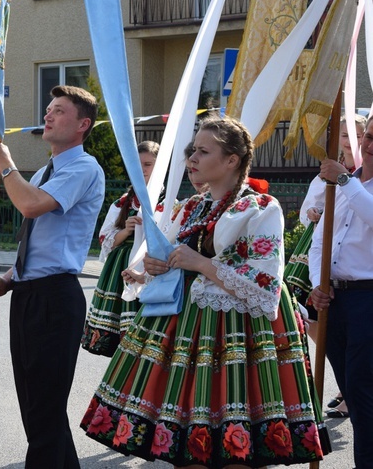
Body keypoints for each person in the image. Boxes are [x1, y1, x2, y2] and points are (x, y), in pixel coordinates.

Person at [81, 116, 329, 467]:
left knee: (234, 444)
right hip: (186, 329)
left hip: (240, 333)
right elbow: (171, 255)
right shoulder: (192, 206)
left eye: (202, 151)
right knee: (186, 440)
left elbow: (265, 281)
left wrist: (201, 263)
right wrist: (154, 267)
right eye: (191, 150)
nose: (192, 158)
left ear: (231, 160)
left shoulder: (260, 206)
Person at [0, 85, 105, 468]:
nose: (48, 115)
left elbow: (32, 206)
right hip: (30, 293)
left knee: (44, 412)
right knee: (38, 411)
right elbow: (42, 241)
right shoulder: (51, 167)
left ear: (83, 124)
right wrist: (9, 278)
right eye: (48, 108)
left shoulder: (84, 167)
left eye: (59, 111)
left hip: (55, 297)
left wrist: (6, 166)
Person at [286, 114, 364, 419]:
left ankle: (349, 389)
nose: (347, 139)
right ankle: (345, 380)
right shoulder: (323, 176)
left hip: (350, 264)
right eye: (343, 133)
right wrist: (316, 212)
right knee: (315, 318)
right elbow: (307, 212)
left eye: (355, 135)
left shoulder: (361, 176)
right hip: (318, 254)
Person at [309, 116, 373, 469]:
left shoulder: (349, 185)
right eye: (370, 136)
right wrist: (320, 283)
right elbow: (320, 238)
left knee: (363, 394)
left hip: (369, 297)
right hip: (337, 298)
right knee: (351, 388)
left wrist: (346, 181)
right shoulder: (344, 186)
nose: (369, 144)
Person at [81, 140, 162, 356]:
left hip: (150, 266)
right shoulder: (122, 203)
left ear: (160, 166)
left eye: (148, 164)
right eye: (137, 164)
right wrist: (126, 231)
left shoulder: (169, 202)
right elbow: (106, 240)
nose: (142, 169)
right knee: (120, 336)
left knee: (148, 335)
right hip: (120, 266)